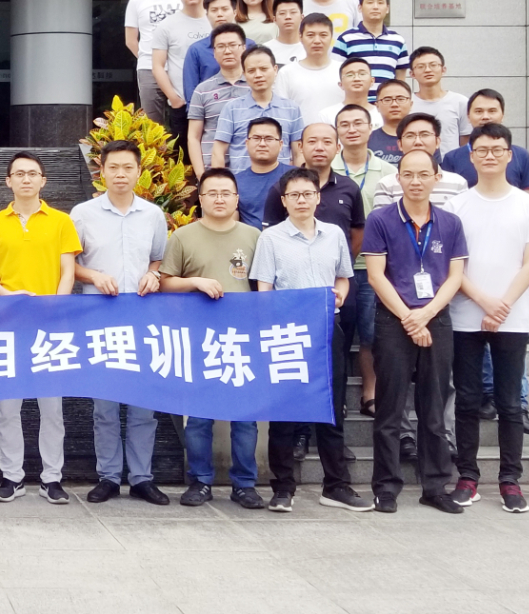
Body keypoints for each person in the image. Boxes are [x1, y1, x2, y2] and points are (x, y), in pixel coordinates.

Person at [441, 123, 529, 513]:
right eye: (482, 150)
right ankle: (467, 477)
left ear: (509, 155)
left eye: (497, 149)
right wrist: (485, 301)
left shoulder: (528, 205)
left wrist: (503, 304)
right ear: (471, 156)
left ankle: (510, 481)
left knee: (509, 402)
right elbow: (452, 266)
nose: (489, 155)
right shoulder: (456, 206)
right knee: (467, 399)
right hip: (465, 315)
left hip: (512, 317)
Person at [253, 162, 371, 515]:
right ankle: (283, 488)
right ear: (284, 201)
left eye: (307, 194)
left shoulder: (334, 235)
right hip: (286, 333)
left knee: (331, 408)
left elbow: (343, 277)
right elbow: (264, 288)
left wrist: (340, 293)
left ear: (318, 197)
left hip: (325, 329)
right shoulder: (270, 238)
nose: (301, 200)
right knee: (284, 413)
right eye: (294, 195)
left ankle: (336, 486)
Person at [362, 149, 469, 514]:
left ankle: (435, 486)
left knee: (434, 407)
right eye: (408, 174)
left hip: (436, 319)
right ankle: (386, 487)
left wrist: (426, 315)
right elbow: (376, 275)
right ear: (398, 179)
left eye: (424, 174)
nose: (416, 181)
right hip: (394, 320)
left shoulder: (450, 223)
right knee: (390, 408)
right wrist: (410, 318)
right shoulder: (380, 219)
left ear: (437, 178)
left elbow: (455, 276)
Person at [0, 151, 81, 506]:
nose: (26, 179)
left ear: (43, 180)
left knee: (51, 408)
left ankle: (52, 479)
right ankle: (12, 477)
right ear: (8, 181)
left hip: (50, 326)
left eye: (32, 173)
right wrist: (9, 296)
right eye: (19, 173)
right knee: (8, 408)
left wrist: (56, 305)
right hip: (7, 323)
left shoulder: (61, 221)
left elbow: (68, 271)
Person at [158, 167, 263, 510]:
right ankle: (200, 481)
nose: (219, 199)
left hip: (242, 340)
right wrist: (195, 283)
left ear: (236, 198)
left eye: (226, 193)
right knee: (199, 418)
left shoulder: (254, 237)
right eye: (212, 193)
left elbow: (265, 286)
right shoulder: (183, 237)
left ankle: (244, 484)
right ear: (200, 199)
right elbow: (164, 283)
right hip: (198, 338)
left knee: (244, 418)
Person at [71, 140, 169, 505]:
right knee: (105, 405)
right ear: (102, 171)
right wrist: (94, 276)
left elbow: (158, 259)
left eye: (128, 167)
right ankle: (109, 476)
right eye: (113, 167)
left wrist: (153, 275)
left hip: (142, 314)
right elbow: (68, 264)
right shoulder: (82, 214)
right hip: (100, 316)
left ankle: (142, 478)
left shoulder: (153, 215)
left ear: (139, 171)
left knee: (144, 402)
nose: (121, 174)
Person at [334, 104, 396, 419]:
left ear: (371, 128)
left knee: (372, 334)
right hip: (334, 269)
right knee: (338, 334)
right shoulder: (324, 167)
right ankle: (337, 395)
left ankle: (370, 391)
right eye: (344, 124)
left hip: (375, 267)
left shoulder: (388, 172)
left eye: (358, 123)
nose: (352, 129)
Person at [212, 46, 305, 173]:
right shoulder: (232, 108)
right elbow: (218, 152)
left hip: (282, 182)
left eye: (263, 69)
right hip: (241, 182)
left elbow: (298, 153)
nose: (258, 75)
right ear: (244, 74)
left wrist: (299, 181)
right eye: (251, 71)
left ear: (275, 70)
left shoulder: (291, 108)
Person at [147, 0, 214, 130]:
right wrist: (174, 99)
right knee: (182, 146)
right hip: (182, 104)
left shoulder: (216, 21)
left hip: (217, 100)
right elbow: (157, 66)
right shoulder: (166, 25)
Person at [126, 0, 183, 130]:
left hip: (181, 66)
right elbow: (130, 40)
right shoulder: (137, 0)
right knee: (152, 125)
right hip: (148, 68)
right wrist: (150, 61)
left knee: (184, 118)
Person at [441, 90, 529, 191]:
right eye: (479, 111)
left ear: (502, 115)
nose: (485, 117)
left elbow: (528, 193)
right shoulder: (452, 158)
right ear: (468, 117)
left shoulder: (521, 155)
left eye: (492, 111)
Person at [186, 24, 249, 177]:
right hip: (212, 171)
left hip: (249, 170)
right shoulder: (202, 90)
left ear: (244, 48)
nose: (227, 51)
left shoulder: (257, 86)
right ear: (214, 52)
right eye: (221, 46)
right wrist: (201, 175)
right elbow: (193, 137)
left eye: (233, 45)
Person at [369, 114, 470, 209]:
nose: (417, 142)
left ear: (437, 142)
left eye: (425, 135)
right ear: (400, 144)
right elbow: (382, 221)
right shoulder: (386, 185)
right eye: (410, 136)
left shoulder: (458, 183)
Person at [332, 0, 409, 88]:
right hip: (356, 98)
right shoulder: (346, 39)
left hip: (387, 98)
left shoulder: (398, 41)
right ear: (360, 7)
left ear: (387, 9)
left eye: (380, 3)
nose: (375, 7)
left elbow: (400, 79)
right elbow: (335, 74)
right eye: (370, 2)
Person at [275, 13, 344, 120]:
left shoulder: (343, 71)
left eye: (323, 35)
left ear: (331, 37)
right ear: (300, 37)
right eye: (310, 35)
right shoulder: (286, 73)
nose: (317, 41)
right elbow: (281, 114)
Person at [179, 0, 241, 104]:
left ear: (235, 12)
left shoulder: (250, 46)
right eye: (214, 10)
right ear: (207, 15)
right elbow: (191, 91)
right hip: (209, 111)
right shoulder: (196, 50)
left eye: (225, 9)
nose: (220, 14)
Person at [408, 47, 471, 147]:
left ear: (443, 70)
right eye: (420, 66)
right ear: (412, 74)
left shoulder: (460, 102)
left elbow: (466, 141)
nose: (427, 70)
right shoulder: (406, 103)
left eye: (433, 65)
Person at [233, 118, 289, 229]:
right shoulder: (235, 182)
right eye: (256, 138)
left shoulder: (296, 176)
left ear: (280, 144)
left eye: (269, 139)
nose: (262, 144)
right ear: (247, 143)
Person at [313, 58, 383, 129]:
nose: (356, 79)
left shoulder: (382, 114)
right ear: (341, 84)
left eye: (362, 74)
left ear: (372, 81)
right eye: (350, 75)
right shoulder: (326, 116)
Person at [369, 79, 413, 163]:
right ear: (377, 106)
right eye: (387, 100)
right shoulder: (366, 140)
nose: (394, 104)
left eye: (400, 99)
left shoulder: (423, 138)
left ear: (411, 104)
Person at [264, 0, 306, 65]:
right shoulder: (265, 50)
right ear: (274, 19)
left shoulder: (311, 48)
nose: (288, 17)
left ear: (302, 17)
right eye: (282, 13)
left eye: (293, 12)